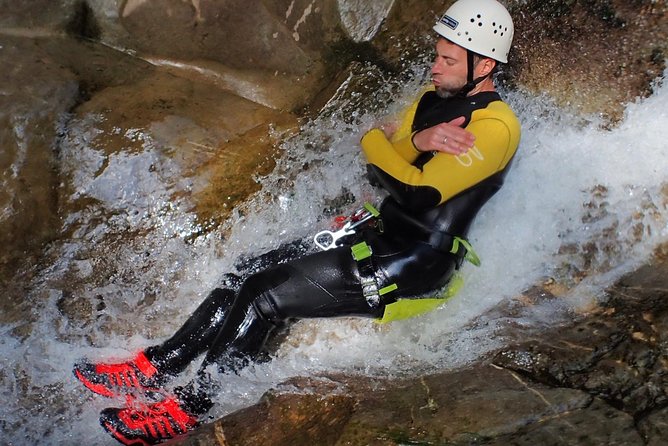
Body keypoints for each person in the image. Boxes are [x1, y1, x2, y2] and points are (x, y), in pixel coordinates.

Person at [73, 0, 521, 444]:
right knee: (246, 270)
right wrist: (409, 142)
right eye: (435, 54)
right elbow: (378, 171)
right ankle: (158, 366)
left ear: (483, 64)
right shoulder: (431, 99)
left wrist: (380, 141)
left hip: (415, 259)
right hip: (380, 232)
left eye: (447, 59)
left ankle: (186, 409)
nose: (434, 67)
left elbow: (416, 190)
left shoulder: (497, 127)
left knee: (264, 297)